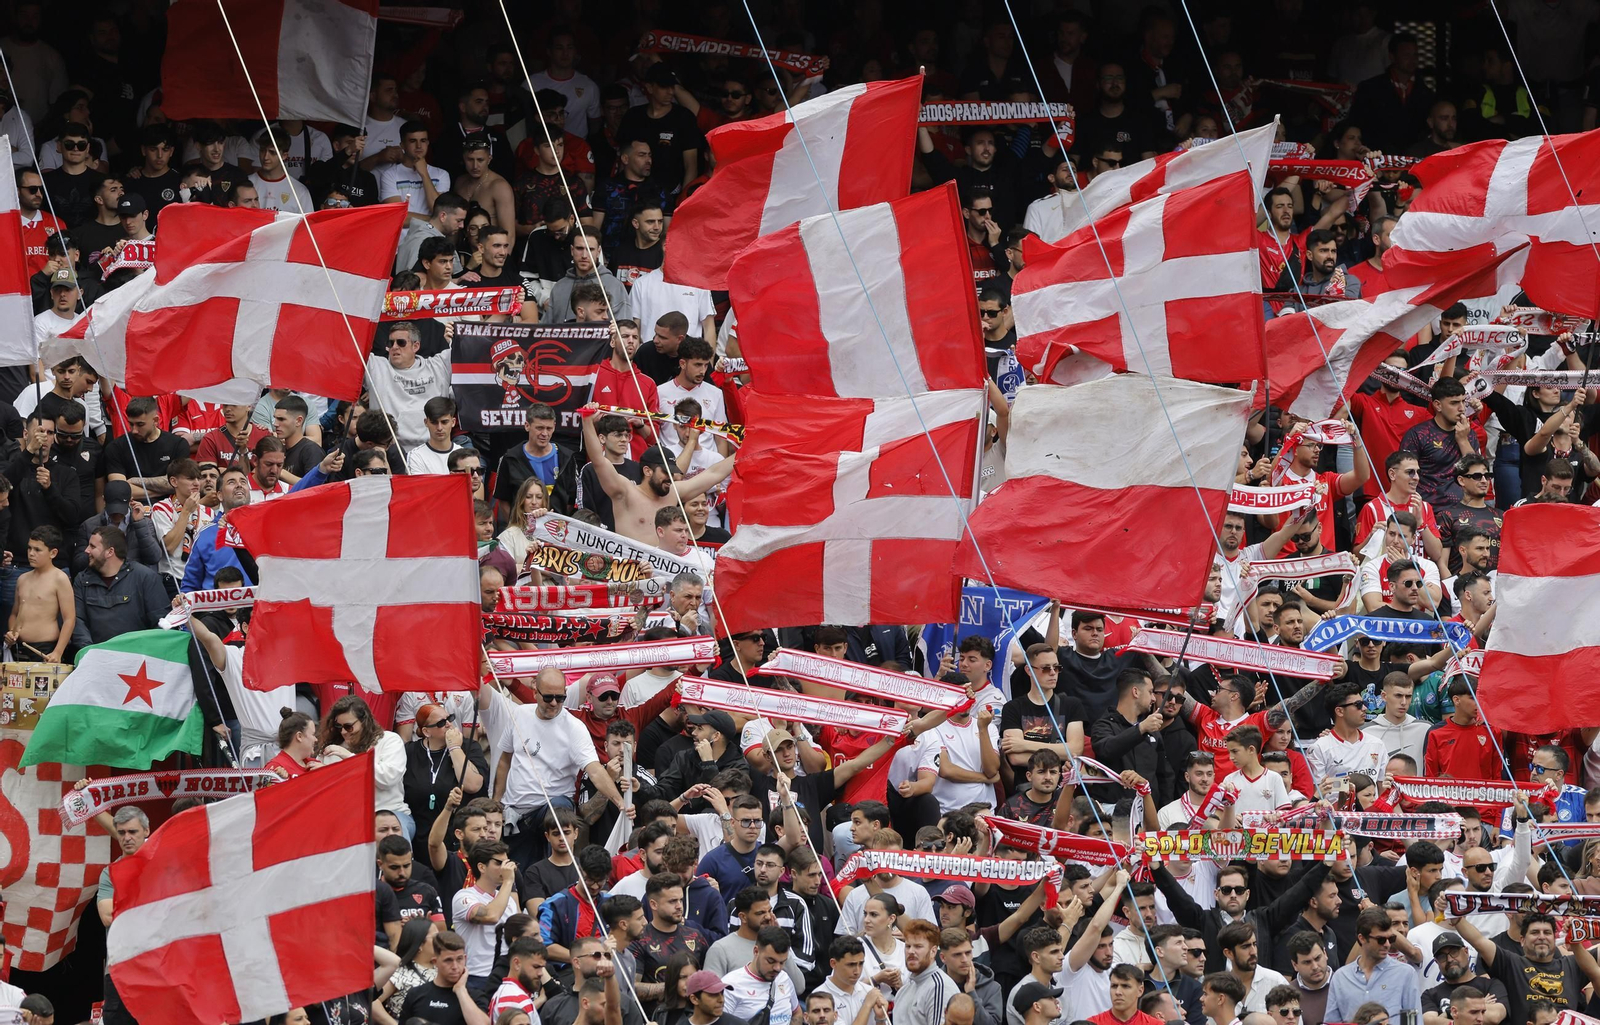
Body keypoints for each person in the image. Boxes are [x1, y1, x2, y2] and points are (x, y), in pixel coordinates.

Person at [70, 525, 168, 647]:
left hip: (138, 658)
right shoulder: (82, 580)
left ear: (110, 552)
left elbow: (161, 622)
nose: (86, 550)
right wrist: (89, 651)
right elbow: (77, 621)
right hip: (96, 658)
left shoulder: (145, 577)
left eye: (92, 546)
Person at [1323, 908, 1423, 1023]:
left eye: (1391, 939)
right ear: (1362, 938)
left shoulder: (1406, 974)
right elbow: (1331, 1022)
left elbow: (1412, 1022)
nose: (1387, 945)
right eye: (1380, 940)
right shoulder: (1340, 978)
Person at [6, 526, 71, 662]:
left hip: (45, 648)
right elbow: (14, 614)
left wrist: (58, 652)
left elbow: (69, 619)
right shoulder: (22, 579)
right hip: (19, 647)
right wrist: (12, 632)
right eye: (29, 548)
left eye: (37, 550)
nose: (31, 553)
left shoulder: (60, 578)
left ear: (52, 553)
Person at [400, 930, 492, 1025]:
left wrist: (460, 990)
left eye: (459, 959)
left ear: (465, 958)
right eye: (448, 960)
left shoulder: (475, 996)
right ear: (435, 962)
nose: (455, 966)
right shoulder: (415, 994)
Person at [720, 926, 800, 1025]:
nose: (777, 968)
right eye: (771, 961)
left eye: (782, 962)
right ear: (756, 951)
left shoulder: (784, 978)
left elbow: (797, 1013)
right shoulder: (731, 984)